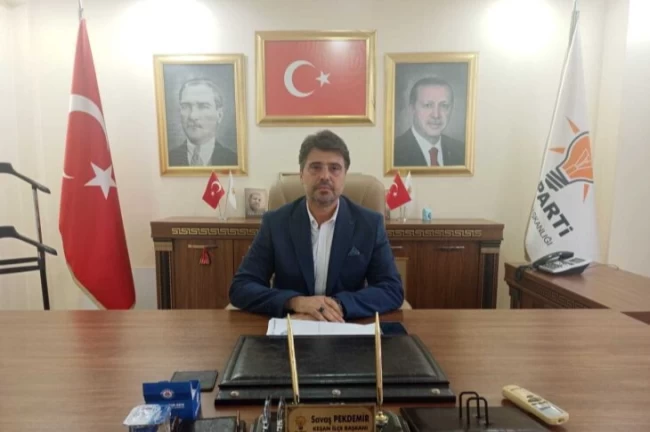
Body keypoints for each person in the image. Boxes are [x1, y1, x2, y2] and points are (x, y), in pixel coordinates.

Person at [229, 130, 404, 321]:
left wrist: (337, 306)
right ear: (301, 174)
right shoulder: (276, 223)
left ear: (345, 175)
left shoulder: (369, 224)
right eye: (315, 167)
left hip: (346, 325)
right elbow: (241, 287)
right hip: (292, 326)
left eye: (334, 168)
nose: (325, 176)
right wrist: (294, 302)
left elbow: (391, 289)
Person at [394, 76, 465, 167]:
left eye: (444, 106)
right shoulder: (394, 151)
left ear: (451, 109)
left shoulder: (462, 151)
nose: (436, 115)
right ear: (412, 108)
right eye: (428, 105)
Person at [168, 78, 238, 167]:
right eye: (185, 106)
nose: (193, 116)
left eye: (203, 106)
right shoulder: (168, 159)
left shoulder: (233, 160)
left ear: (219, 115)